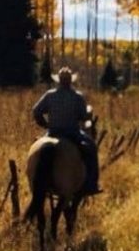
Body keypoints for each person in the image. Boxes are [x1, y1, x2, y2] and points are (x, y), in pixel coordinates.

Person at [32, 66, 102, 195]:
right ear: (70, 81)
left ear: (58, 81)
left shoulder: (49, 95)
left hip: (52, 132)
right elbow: (83, 117)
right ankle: (92, 184)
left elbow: (36, 111)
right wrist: (87, 113)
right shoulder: (77, 96)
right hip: (73, 133)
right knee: (92, 148)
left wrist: (45, 125)